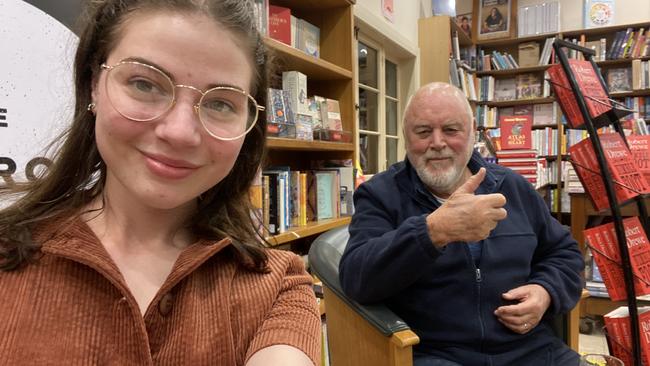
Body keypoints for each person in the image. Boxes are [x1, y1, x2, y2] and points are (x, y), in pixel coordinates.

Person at [0, 1, 320, 365]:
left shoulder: (278, 286)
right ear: (93, 84)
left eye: (220, 104)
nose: (180, 133)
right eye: (144, 83)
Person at [339, 82, 583, 366]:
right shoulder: (380, 194)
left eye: (451, 130)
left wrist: (546, 292)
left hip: (531, 350)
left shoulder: (511, 186)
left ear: (472, 135)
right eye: (423, 132)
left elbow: (564, 253)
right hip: (436, 355)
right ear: (406, 138)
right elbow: (356, 278)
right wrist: (433, 231)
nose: (438, 143)